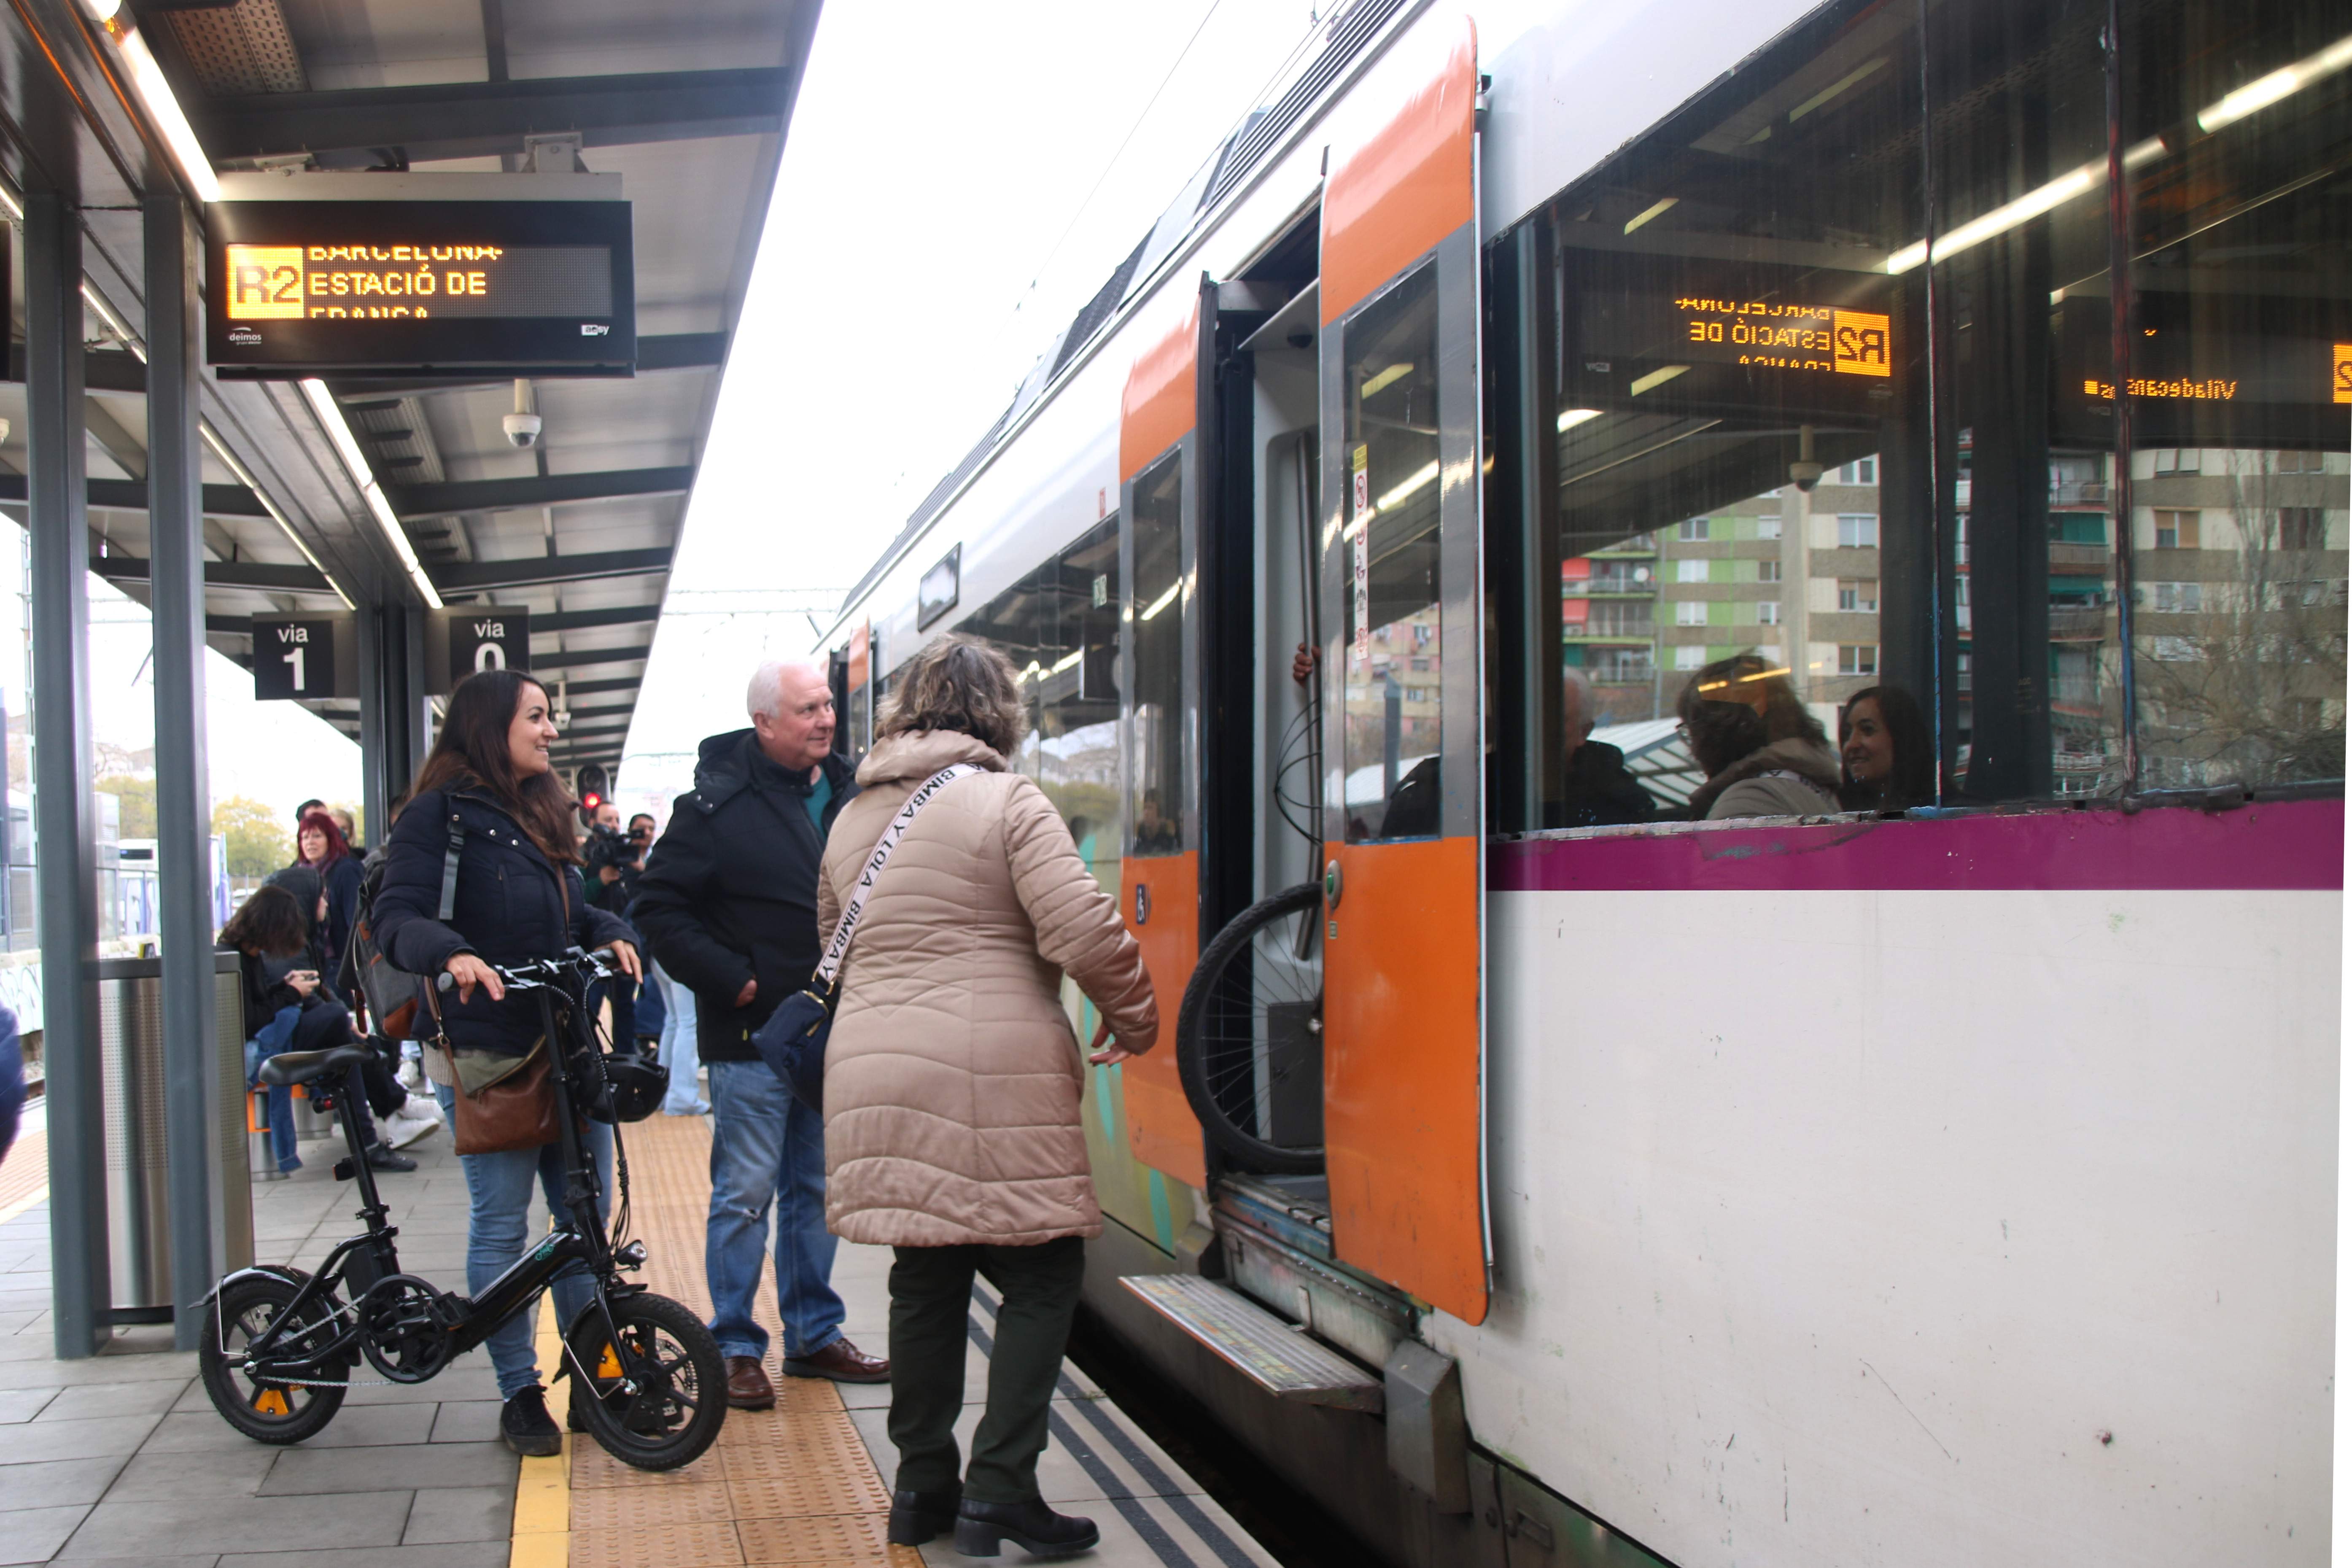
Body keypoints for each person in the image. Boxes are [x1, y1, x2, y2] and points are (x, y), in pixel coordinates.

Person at [820, 635, 1156, 1558]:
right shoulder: (1007, 798)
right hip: (990, 1068)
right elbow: (1082, 928)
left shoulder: (851, 820)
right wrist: (1136, 1018)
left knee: (925, 1271)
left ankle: (922, 1487)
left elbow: (833, 946)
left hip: (875, 1067)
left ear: (903, 708)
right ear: (999, 711)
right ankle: (1001, 1488)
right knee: (1043, 1273)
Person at [372, 668, 642, 1458]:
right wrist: (450, 953)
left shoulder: (541, 808)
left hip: (564, 1043)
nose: (551, 731)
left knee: (583, 1222)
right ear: (492, 724)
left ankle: (598, 1378)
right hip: (487, 1049)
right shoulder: (438, 815)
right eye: (537, 716)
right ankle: (519, 1389)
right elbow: (398, 916)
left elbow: (567, 905)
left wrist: (606, 927)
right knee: (502, 1223)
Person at [633, 658, 885, 1409]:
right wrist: (730, 977)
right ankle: (737, 1343)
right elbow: (658, 907)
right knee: (744, 1192)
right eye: (807, 709)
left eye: (827, 706)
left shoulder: (855, 794)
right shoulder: (711, 805)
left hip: (831, 1030)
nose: (826, 719)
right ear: (765, 722)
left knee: (815, 1188)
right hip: (750, 1034)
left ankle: (813, 1335)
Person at [222, 884, 415, 1177]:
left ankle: (372, 1135)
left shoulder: (247, 955)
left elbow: (257, 1007)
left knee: (345, 1040)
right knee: (338, 1024)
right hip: (256, 1048)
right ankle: (379, 1124)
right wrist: (291, 993)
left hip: (271, 1036)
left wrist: (287, 986)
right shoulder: (233, 959)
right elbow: (249, 1021)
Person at [1676, 652, 1843, 820]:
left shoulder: (1746, 801)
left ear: (1713, 733)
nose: (1692, 747)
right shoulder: (1812, 786)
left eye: (1691, 729)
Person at [1549, 667, 1654, 829]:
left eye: (1554, 718)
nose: (1537, 728)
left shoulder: (1621, 805)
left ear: (1583, 732)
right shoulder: (1496, 786)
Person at [289, 808, 364, 997]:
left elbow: (357, 921)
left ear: (331, 839)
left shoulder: (346, 870)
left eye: (317, 836)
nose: (310, 842)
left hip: (342, 967)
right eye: (305, 837)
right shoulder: (297, 874)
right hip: (312, 965)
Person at [1838, 684, 1934, 811]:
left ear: (1901, 737)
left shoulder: (1950, 815)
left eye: (1868, 730)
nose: (1852, 745)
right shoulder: (1839, 813)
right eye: (1847, 734)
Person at [1131, 789, 1178, 854]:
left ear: (1159, 812)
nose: (1146, 813)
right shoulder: (1139, 841)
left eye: (1150, 808)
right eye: (1145, 808)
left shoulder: (1169, 842)